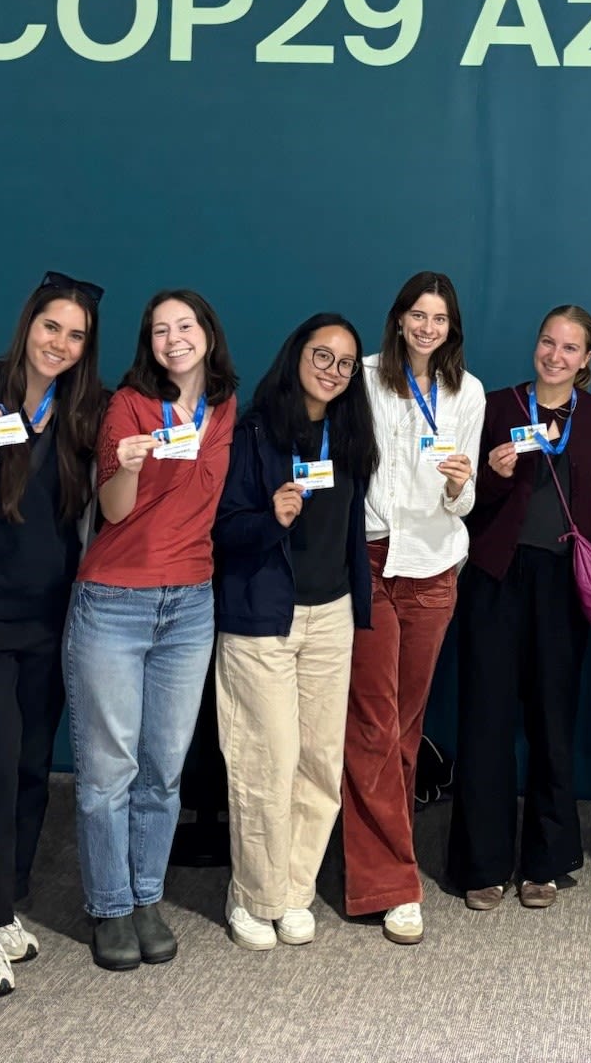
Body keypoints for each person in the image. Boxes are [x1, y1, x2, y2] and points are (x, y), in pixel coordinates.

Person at [0, 271, 105, 996]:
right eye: (50, 327)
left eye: (75, 335)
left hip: (50, 615)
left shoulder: (83, 409)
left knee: (32, 764)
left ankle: (4, 901)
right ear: (28, 323)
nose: (59, 343)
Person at [64, 289, 237, 971]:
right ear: (149, 343)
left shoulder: (224, 407)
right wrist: (128, 466)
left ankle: (145, 896)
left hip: (190, 606)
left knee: (163, 769)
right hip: (115, 601)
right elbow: (113, 510)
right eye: (160, 330)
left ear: (207, 332)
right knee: (110, 770)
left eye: (185, 325)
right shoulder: (128, 406)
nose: (174, 339)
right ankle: (108, 906)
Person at [212, 314, 379, 951]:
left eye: (345, 363)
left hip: (331, 615)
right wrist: (271, 519)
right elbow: (222, 529)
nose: (333, 370)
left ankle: (292, 891)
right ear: (296, 355)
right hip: (263, 618)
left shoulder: (350, 434)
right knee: (266, 761)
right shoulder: (254, 432)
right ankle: (253, 895)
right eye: (322, 355)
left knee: (318, 763)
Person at [447, 306, 591, 912]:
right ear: (535, 344)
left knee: (552, 720)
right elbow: (462, 496)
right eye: (548, 342)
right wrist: (492, 476)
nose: (556, 355)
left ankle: (545, 860)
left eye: (570, 348)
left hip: (564, 582)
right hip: (496, 576)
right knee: (486, 719)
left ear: (586, 359)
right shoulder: (497, 407)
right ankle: (483, 863)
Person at [344, 271, 485, 945]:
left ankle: (383, 859)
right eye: (418, 315)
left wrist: (459, 486)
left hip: (432, 568)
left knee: (404, 727)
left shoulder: (467, 392)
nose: (428, 327)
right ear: (399, 319)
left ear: (451, 328)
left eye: (440, 318)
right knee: (372, 725)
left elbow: (466, 500)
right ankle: (392, 883)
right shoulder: (364, 377)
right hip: (371, 561)